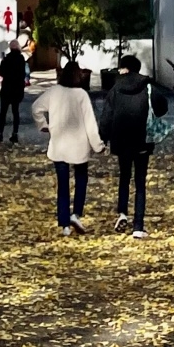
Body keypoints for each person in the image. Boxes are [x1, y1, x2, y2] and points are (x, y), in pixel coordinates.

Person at [32, 59, 104, 235]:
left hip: (59, 145)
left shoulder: (54, 92)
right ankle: (76, 213)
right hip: (79, 146)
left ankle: (64, 224)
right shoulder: (81, 94)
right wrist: (98, 145)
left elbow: (36, 107)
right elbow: (90, 123)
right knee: (81, 180)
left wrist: (44, 125)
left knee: (62, 185)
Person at [102, 54, 153, 237]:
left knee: (124, 177)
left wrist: (103, 138)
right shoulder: (147, 86)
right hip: (142, 140)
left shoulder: (116, 88)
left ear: (125, 68)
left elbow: (107, 115)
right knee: (140, 182)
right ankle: (138, 226)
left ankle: (122, 213)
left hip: (121, 140)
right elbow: (161, 106)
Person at [0, 37, 27, 143]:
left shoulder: (6, 59)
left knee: (3, 112)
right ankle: (15, 134)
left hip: (6, 89)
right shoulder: (21, 59)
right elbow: (23, 74)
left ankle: (0, 134)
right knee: (15, 112)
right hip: (17, 89)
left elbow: (1, 73)